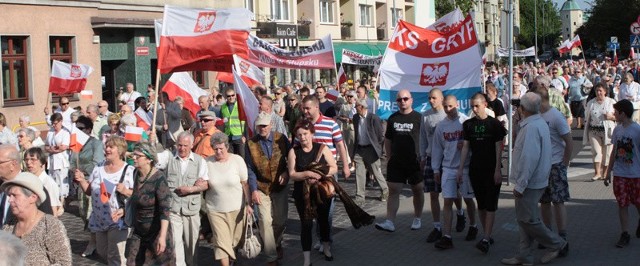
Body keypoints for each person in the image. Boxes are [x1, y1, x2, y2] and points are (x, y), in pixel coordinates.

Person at [501, 92, 568, 265]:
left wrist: (521, 184)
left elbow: (529, 158)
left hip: (530, 181)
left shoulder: (532, 127)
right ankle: (525, 255)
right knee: (524, 219)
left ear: (523, 108)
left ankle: (557, 243)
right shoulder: (535, 123)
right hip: (533, 179)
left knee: (528, 220)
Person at [74, 136, 135, 265]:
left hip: (118, 220)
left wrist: (125, 191)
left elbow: (138, 195)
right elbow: (89, 191)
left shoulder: (129, 170)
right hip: (99, 219)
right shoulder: (98, 167)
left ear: (120, 150)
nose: (107, 149)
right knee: (102, 252)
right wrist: (81, 180)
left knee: (114, 256)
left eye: (111, 147)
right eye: (106, 146)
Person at [458, 93, 506, 254]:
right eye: (472, 106)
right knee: (481, 203)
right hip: (475, 169)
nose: (474, 109)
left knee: (491, 203)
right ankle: (487, 233)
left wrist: (498, 169)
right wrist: (460, 168)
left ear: (485, 104)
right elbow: (465, 147)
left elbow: (498, 147)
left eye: (477, 105)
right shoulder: (468, 125)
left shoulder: (494, 124)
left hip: (491, 169)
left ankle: (485, 238)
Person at [287, 120, 338, 266]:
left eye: (305, 134)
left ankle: (327, 248)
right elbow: (292, 174)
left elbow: (333, 167)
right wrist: (307, 174)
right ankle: (307, 260)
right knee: (306, 225)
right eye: (299, 135)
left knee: (323, 222)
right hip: (302, 194)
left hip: (321, 192)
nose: (302, 138)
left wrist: (320, 174)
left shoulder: (322, 148)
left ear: (312, 134)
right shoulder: (294, 151)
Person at [431, 95, 478, 249]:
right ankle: (447, 235)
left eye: (450, 106)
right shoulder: (441, 126)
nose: (448, 109)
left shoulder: (465, 122)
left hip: (464, 167)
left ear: (457, 104)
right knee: (447, 201)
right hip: (448, 168)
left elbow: (476, 143)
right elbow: (437, 148)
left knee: (468, 199)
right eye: (445, 106)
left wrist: (466, 146)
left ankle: (473, 225)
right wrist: (436, 168)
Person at [420, 89, 466, 243]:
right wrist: (422, 155)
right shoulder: (425, 116)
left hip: (449, 160)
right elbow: (423, 137)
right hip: (431, 157)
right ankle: (437, 227)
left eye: (434, 98)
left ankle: (460, 213)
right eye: (429, 98)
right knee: (433, 194)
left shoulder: (452, 117)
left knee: (453, 195)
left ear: (441, 99)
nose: (431, 100)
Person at [245, 112, 291, 265]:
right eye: (260, 126)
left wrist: (287, 172)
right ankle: (271, 257)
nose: (262, 128)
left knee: (280, 221)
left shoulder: (281, 139)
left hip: (280, 186)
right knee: (265, 221)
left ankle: (276, 243)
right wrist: (253, 190)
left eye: (265, 125)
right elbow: (249, 169)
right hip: (261, 186)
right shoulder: (251, 144)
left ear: (271, 125)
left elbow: (290, 158)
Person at [375, 90, 424, 232]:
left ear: (411, 100)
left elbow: (425, 139)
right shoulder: (393, 118)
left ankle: (418, 218)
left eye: (405, 99)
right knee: (394, 190)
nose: (402, 101)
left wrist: (423, 157)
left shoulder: (419, 118)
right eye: (399, 100)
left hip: (414, 161)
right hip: (396, 161)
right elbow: (388, 139)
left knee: (417, 189)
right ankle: (390, 221)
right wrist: (389, 157)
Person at [157, 132, 209, 266]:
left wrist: (191, 189)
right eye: (179, 145)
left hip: (191, 211)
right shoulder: (169, 158)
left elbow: (206, 184)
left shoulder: (199, 161)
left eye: (185, 145)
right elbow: (154, 159)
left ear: (191, 145)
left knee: (192, 246)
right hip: (174, 209)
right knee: (175, 244)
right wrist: (153, 142)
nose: (182, 148)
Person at [0, 172, 72, 265]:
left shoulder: (50, 225)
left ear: (33, 198)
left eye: (15, 195)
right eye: (10, 196)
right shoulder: (9, 225)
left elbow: (64, 263)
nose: (10, 200)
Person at [204, 132, 251, 266]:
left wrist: (249, 204)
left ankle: (232, 260)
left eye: (221, 149)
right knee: (221, 243)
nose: (218, 152)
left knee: (234, 241)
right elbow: (202, 181)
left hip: (237, 209)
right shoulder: (207, 162)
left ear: (227, 147)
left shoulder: (237, 160)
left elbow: (245, 183)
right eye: (215, 149)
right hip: (215, 209)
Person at [534, 89, 573, 248]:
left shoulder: (555, 116)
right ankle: (547, 233)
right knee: (544, 201)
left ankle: (562, 234)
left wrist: (564, 162)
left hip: (556, 164)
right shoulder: (536, 116)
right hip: (541, 165)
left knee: (558, 201)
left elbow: (569, 141)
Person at [126, 142, 175, 265]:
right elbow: (136, 198)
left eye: (138, 156)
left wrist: (162, 237)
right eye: (134, 155)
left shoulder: (159, 178)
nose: (134, 158)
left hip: (156, 231)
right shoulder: (135, 173)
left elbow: (165, 211)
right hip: (139, 230)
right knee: (132, 262)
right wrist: (123, 211)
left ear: (149, 159)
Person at [603, 99, 640, 248]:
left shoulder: (637, 130)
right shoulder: (617, 130)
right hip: (620, 173)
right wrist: (608, 171)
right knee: (622, 203)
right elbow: (613, 151)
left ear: (623, 113)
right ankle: (625, 233)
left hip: (635, 173)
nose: (614, 114)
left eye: (616, 112)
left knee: (638, 202)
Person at [70, 116, 105, 256]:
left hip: (93, 182)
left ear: (89, 130)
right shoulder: (76, 144)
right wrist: (75, 171)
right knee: (83, 212)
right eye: (76, 128)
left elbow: (97, 163)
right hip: (80, 183)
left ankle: (93, 242)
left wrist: (83, 172)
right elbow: (72, 163)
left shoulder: (96, 144)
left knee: (92, 212)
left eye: (81, 128)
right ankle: (95, 239)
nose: (78, 131)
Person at [352, 99, 388, 205]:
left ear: (362, 107)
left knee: (376, 171)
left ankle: (385, 190)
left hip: (371, 149)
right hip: (359, 148)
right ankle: (360, 196)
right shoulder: (355, 118)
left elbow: (380, 135)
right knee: (359, 172)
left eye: (356, 107)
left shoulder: (374, 118)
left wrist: (376, 147)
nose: (355, 109)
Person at [583, 84, 616, 181]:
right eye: (597, 91)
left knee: (607, 153)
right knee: (596, 152)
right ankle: (597, 173)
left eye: (601, 91)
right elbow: (586, 116)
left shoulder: (611, 102)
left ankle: (605, 173)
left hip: (607, 131)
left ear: (605, 91)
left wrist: (611, 117)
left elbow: (618, 116)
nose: (599, 93)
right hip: (594, 130)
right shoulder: (591, 103)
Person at [24, 147, 63, 217]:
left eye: (33, 159)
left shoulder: (48, 183)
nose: (29, 163)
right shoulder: (28, 180)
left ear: (41, 162)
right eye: (26, 160)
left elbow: (53, 209)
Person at [44, 113, 70, 204]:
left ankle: (62, 201)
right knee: (52, 180)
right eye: (53, 123)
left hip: (61, 161)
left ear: (61, 122)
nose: (54, 125)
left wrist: (53, 149)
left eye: (56, 123)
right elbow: (46, 146)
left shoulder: (65, 132)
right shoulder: (50, 132)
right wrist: (53, 148)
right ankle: (54, 200)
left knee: (61, 181)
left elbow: (64, 147)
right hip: (52, 161)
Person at [220, 88, 246, 158]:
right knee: (230, 158)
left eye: (232, 95)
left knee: (241, 158)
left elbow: (244, 121)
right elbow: (221, 122)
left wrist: (244, 135)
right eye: (228, 96)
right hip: (228, 136)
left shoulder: (240, 105)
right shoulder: (223, 107)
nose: (231, 97)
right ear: (226, 97)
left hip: (239, 136)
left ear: (235, 96)